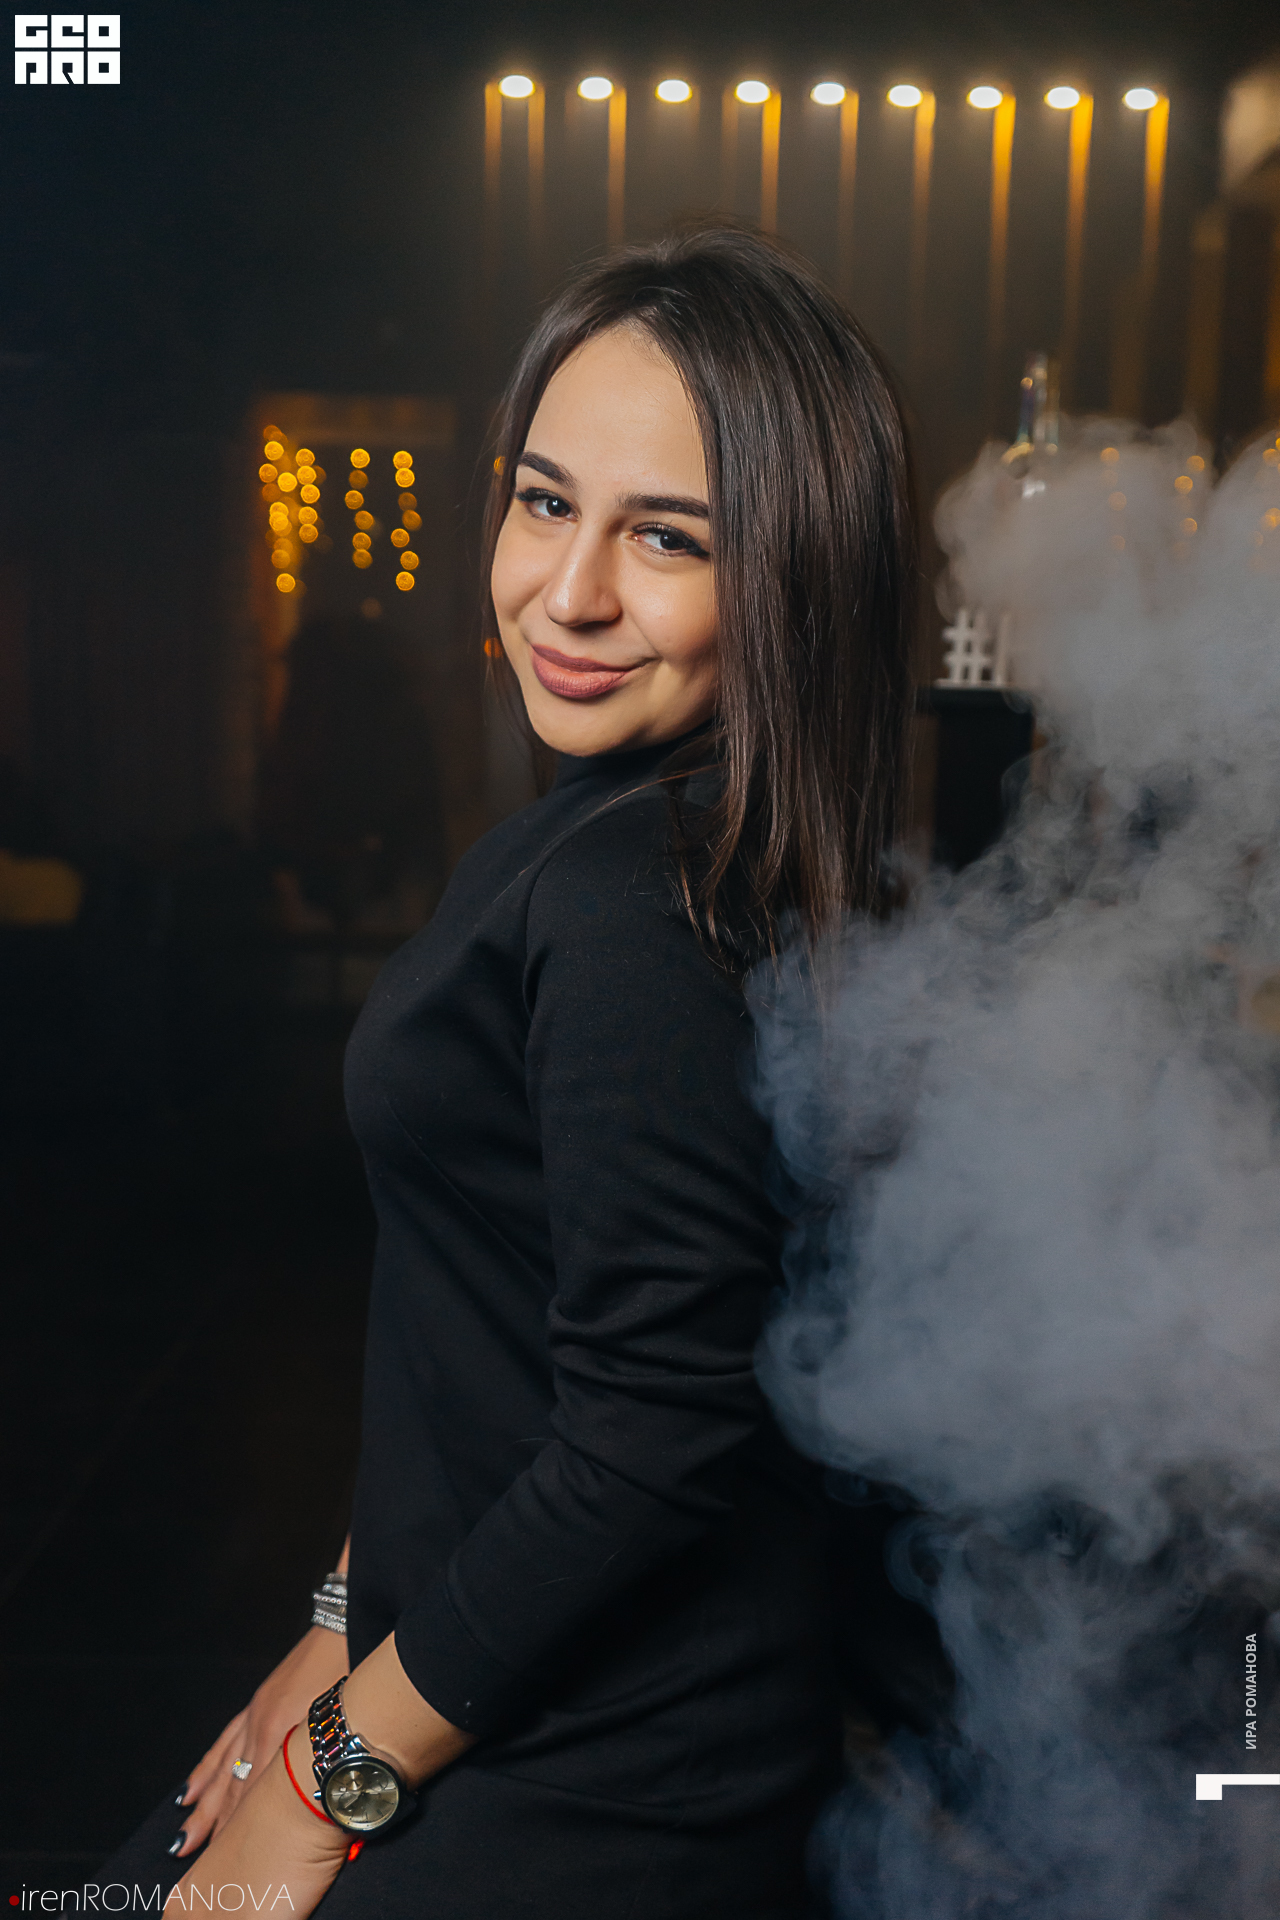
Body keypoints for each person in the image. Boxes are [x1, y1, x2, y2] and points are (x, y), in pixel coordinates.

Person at [110, 225, 916, 1919]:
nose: (570, 591)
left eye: (670, 537)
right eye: (546, 503)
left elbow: (653, 1438)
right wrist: (334, 1633)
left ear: (795, 578)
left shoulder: (636, 903)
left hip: (598, 1777)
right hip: (487, 1679)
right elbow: (481, 1344)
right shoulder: (613, 832)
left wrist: (329, 1783)